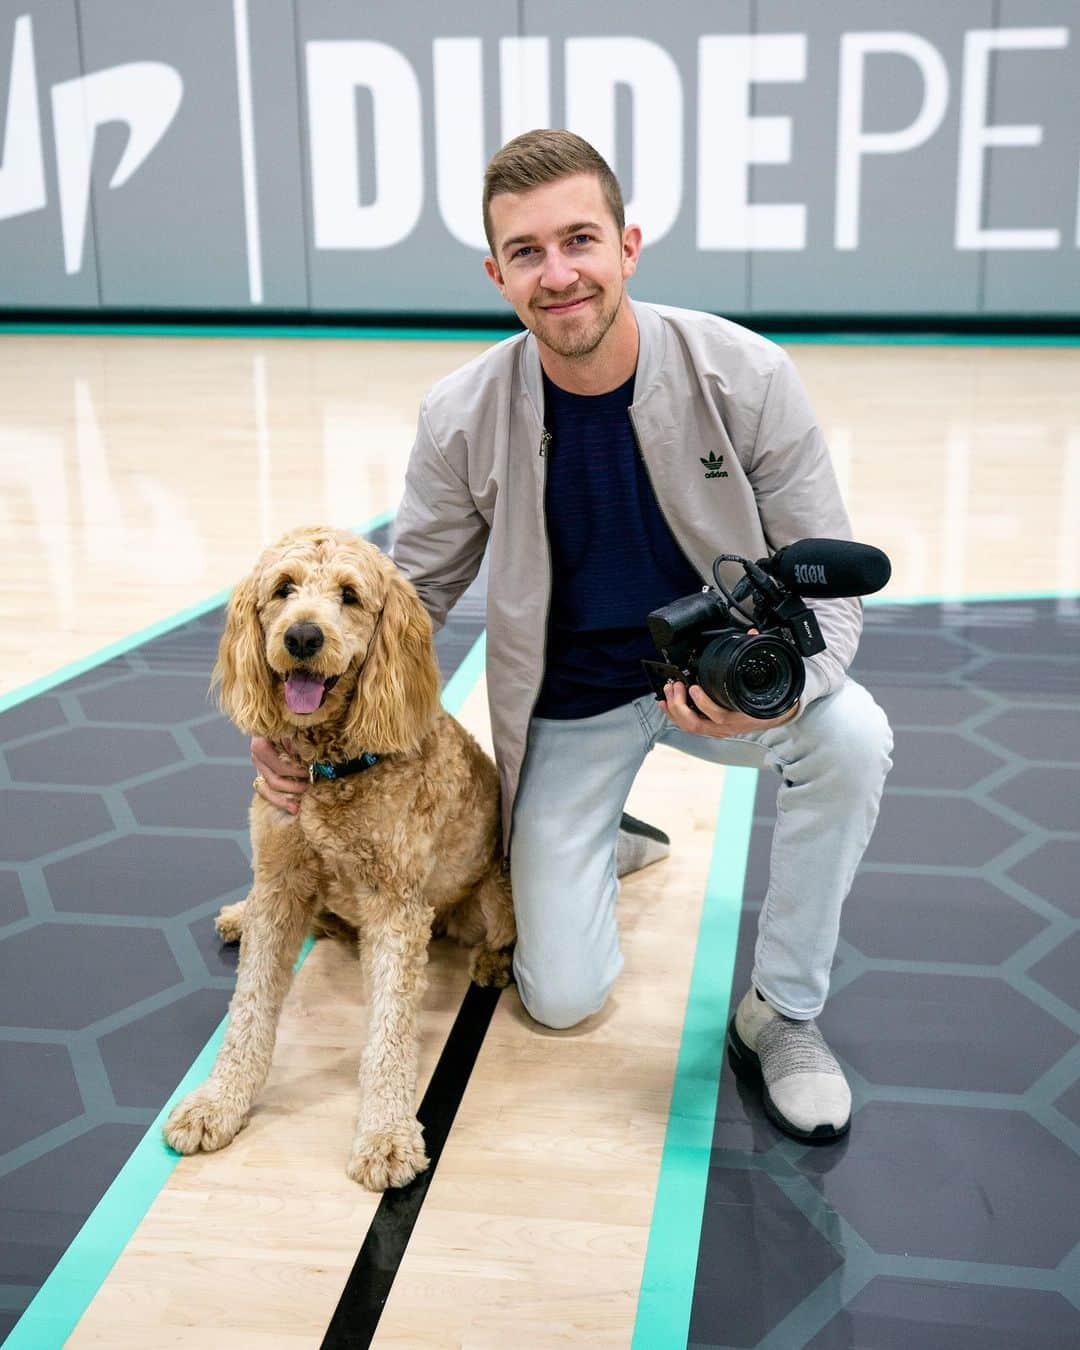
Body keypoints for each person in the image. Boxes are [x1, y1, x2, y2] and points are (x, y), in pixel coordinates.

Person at [253, 130, 893, 1142]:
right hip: (571, 704)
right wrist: (290, 735)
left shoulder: (749, 376)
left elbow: (837, 595)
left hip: (725, 682)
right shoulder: (461, 413)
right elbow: (400, 600)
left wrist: (780, 698)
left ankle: (785, 1014)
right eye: (527, 252)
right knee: (558, 997)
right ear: (496, 271)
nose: (559, 275)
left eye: (580, 240)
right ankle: (603, 836)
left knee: (853, 737)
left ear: (629, 246)